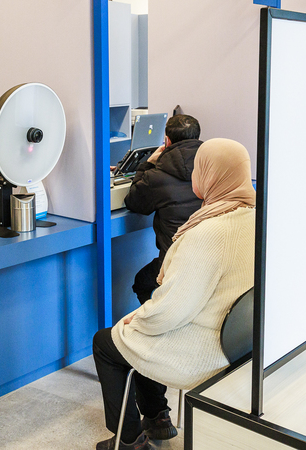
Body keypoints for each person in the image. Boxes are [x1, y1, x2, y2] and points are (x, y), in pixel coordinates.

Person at [93, 138, 256, 450]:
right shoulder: (256, 215)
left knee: (108, 341)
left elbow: (170, 312)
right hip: (239, 340)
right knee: (138, 330)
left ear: (209, 175)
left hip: (203, 351)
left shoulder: (210, 233)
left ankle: (129, 442)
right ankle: (157, 419)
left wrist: (137, 321)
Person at [123, 114, 203, 304]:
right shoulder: (211, 169)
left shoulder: (157, 176)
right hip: (206, 261)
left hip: (173, 264)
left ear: (166, 141)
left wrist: (148, 164)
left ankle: (153, 323)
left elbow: (133, 202)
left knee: (142, 283)